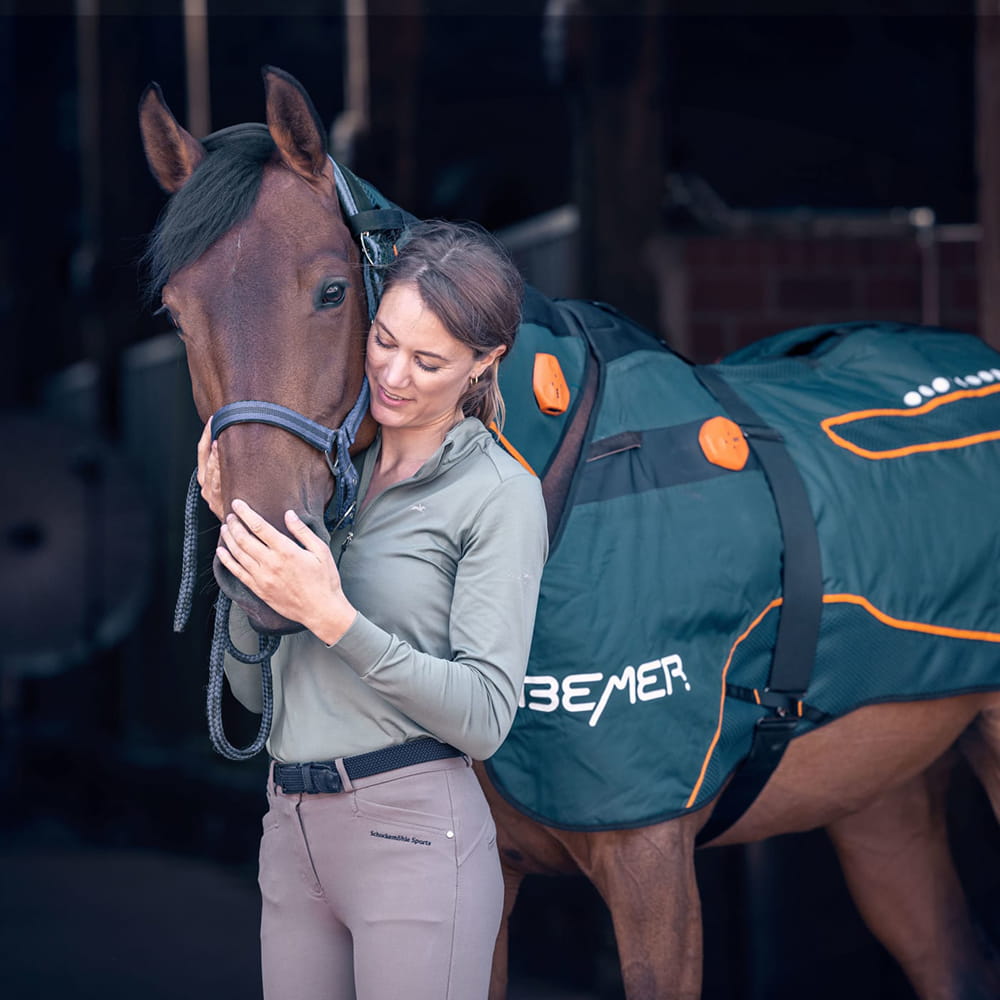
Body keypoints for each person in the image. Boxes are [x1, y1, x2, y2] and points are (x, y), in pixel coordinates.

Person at [197, 219, 548, 1000]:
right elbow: (253, 695)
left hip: (413, 835)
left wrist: (335, 620)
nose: (392, 374)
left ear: (484, 362)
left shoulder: (497, 496)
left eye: (429, 361)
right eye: (383, 339)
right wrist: (243, 544)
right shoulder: (325, 473)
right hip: (289, 828)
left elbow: (486, 716)